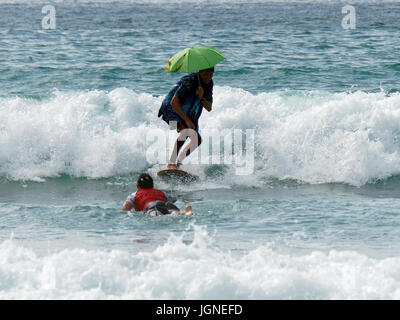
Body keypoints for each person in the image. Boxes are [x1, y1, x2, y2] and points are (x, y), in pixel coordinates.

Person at [158, 67, 214, 169]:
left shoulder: (209, 84)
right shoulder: (189, 81)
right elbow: (173, 102)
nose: (208, 77)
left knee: (197, 140)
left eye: (211, 74)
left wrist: (202, 97)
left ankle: (178, 163)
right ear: (199, 71)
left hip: (188, 113)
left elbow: (209, 107)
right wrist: (187, 120)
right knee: (187, 132)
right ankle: (171, 163)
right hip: (170, 112)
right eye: (206, 74)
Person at [121, 173, 193, 216]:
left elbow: (126, 208)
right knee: (171, 211)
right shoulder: (161, 192)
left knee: (154, 213)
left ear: (137, 186)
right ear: (152, 185)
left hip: (152, 206)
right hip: (166, 204)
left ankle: (156, 213)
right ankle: (184, 212)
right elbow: (173, 199)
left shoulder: (134, 195)